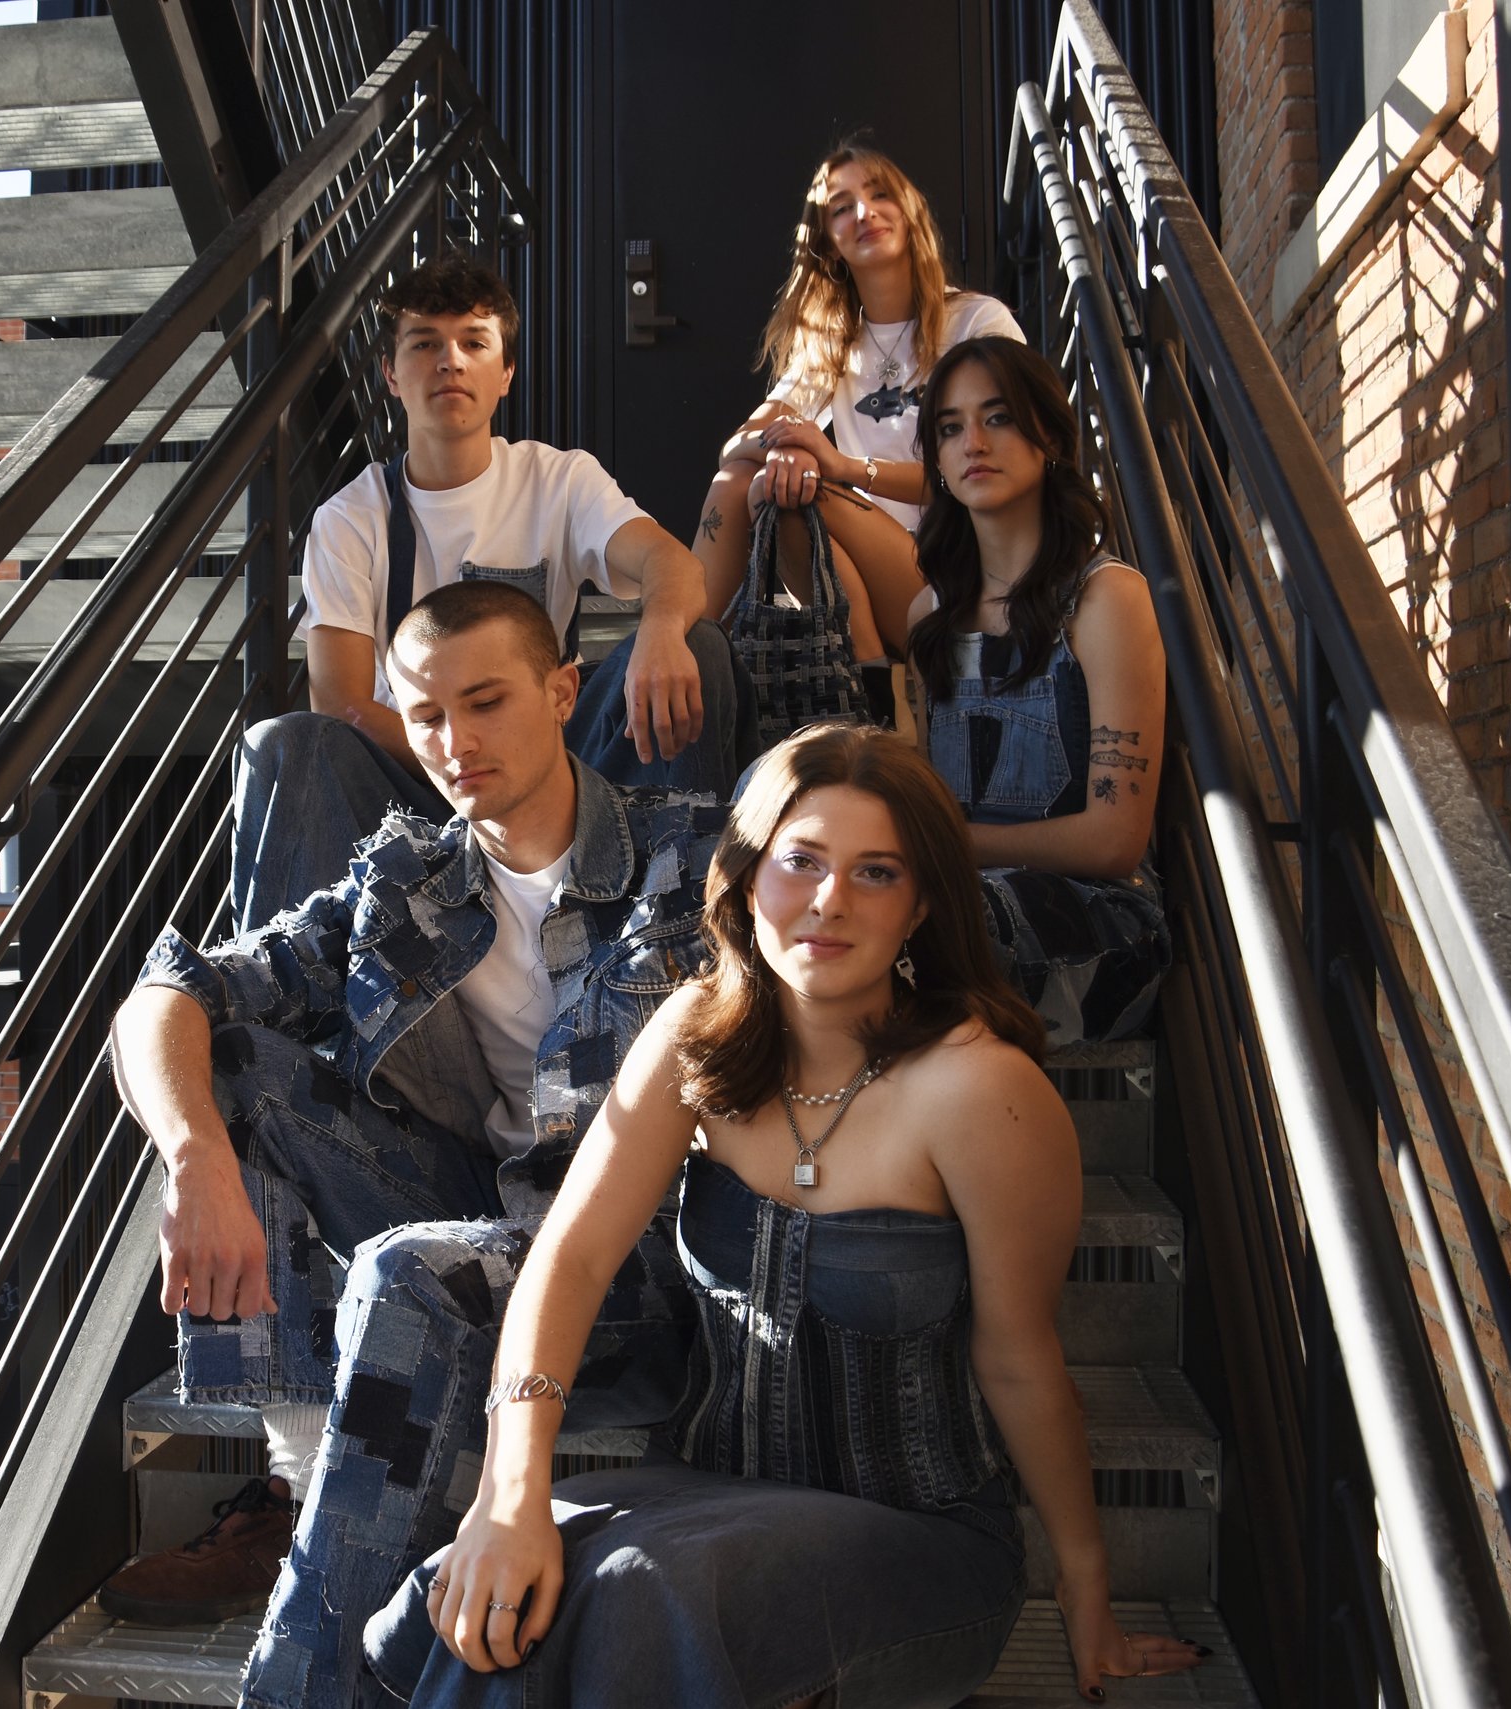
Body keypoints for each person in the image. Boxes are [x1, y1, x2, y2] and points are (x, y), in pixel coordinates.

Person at [362, 725, 1208, 1707]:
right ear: (747, 875)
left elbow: (1020, 1359)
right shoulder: (692, 1034)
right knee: (487, 1592)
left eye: (876, 872)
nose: (829, 899)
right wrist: (512, 1493)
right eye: (800, 859)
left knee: (648, 1594)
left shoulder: (980, 1091)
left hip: (917, 1539)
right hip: (700, 1492)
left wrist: (1086, 1588)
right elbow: (574, 1258)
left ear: (921, 904)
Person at [98, 581, 720, 1695]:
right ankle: (306, 1480)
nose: (454, 741)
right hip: (478, 1229)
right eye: (426, 713)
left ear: (563, 691)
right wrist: (194, 1157)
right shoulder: (408, 880)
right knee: (227, 1067)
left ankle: (315, 1659)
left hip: (647, 1272)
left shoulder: (691, 861)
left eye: (486, 701)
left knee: (407, 1272)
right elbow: (171, 989)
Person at [233, 252, 752, 929]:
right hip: (419, 776)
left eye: (474, 343)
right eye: (424, 344)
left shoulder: (558, 479)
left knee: (698, 646)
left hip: (553, 759)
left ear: (505, 372)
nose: (450, 361)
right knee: (288, 743)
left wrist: (658, 631)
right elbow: (343, 706)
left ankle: (689, 925)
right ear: (391, 374)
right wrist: (467, 753)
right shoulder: (350, 518)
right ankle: (285, 981)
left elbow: (672, 565)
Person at [905, 336, 1172, 1043]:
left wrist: (950, 846)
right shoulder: (928, 618)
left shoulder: (1105, 599)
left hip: (1099, 924)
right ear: (937, 461)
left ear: (1049, 436)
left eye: (998, 418)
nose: (974, 443)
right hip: (962, 902)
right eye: (951, 428)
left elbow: (1115, 841)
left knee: (921, 941)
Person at [690, 143, 1025, 671]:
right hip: (868, 573)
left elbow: (1004, 464)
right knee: (745, 481)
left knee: (791, 486)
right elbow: (733, 448)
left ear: (909, 211)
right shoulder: (832, 344)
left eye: (879, 194)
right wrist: (788, 448)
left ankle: (865, 678)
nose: (864, 213)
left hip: (963, 564)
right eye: (842, 207)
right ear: (828, 240)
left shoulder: (976, 323)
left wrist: (843, 467)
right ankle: (698, 662)